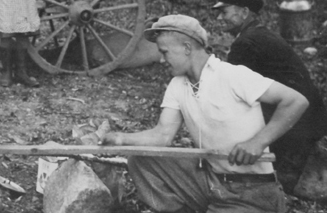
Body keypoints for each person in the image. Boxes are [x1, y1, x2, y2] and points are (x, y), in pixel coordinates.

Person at [102, 14, 309, 213]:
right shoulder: (177, 85)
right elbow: (162, 135)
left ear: (186, 48)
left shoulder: (231, 76)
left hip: (251, 191)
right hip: (210, 182)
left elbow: (295, 101)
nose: (162, 61)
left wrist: (258, 142)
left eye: (164, 52)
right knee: (141, 161)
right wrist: (120, 138)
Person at [212, 0, 327, 193]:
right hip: (310, 118)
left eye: (225, 12)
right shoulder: (260, 33)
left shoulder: (245, 43)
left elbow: (237, 95)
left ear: (244, 12)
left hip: (296, 122)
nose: (220, 18)